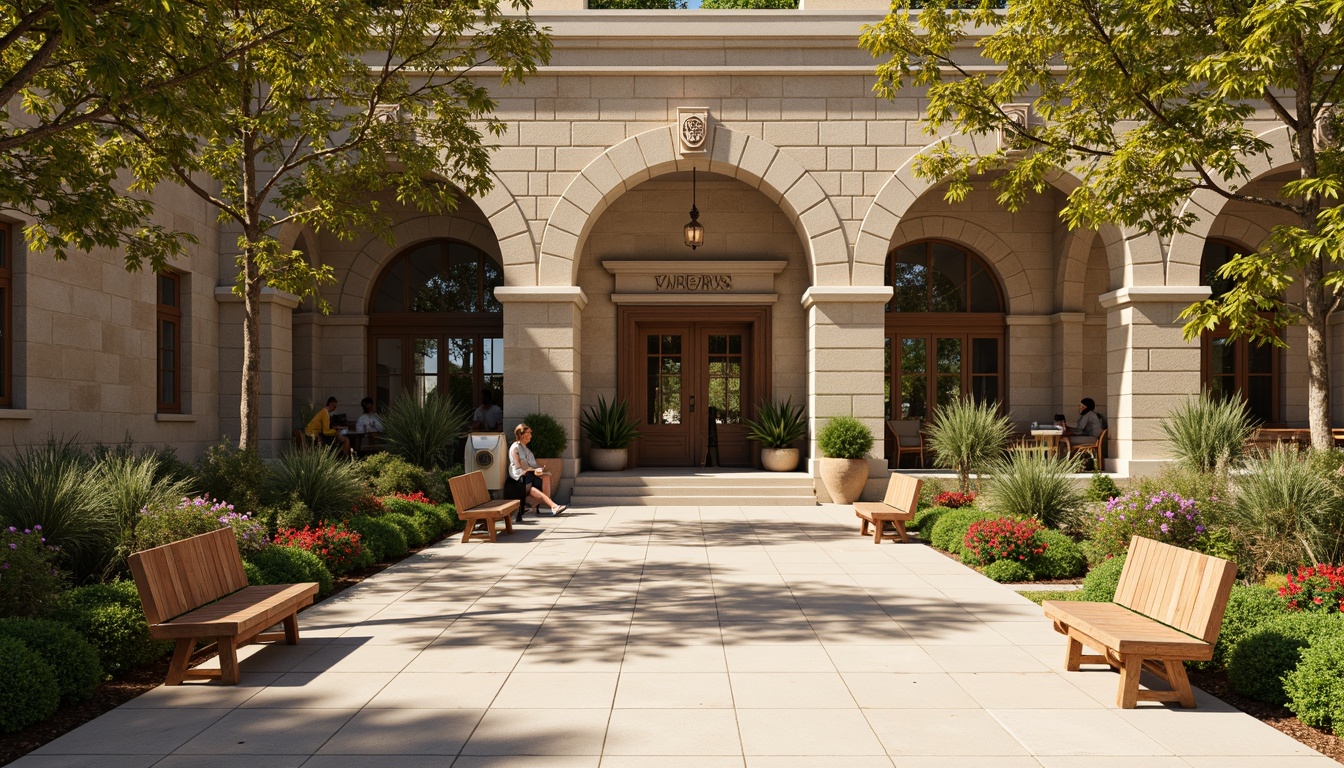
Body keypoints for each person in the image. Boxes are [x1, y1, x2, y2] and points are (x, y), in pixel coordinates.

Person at [509, 422, 566, 520]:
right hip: (520, 476)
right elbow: (519, 467)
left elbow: (533, 465)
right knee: (532, 488)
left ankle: (540, 504)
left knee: (547, 475)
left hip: (529, 474)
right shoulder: (515, 448)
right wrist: (534, 471)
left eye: (530, 434)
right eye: (526, 434)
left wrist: (539, 469)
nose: (529, 436)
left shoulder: (527, 449)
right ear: (520, 435)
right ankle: (553, 506)